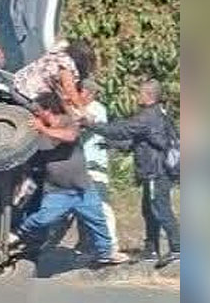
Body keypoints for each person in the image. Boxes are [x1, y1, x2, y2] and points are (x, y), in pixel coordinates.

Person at [11, 91, 129, 265]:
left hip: (82, 188)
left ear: (48, 110)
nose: (36, 115)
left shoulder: (68, 122)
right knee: (44, 218)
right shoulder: (36, 130)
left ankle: (106, 253)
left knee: (97, 220)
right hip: (57, 190)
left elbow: (70, 136)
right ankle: (18, 234)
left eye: (38, 111)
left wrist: (43, 129)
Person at [85, 79, 180, 264]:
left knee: (160, 209)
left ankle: (178, 248)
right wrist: (110, 144)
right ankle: (151, 249)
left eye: (140, 93)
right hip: (154, 170)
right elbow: (137, 141)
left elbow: (122, 130)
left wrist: (92, 125)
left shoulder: (148, 117)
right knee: (149, 210)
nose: (137, 96)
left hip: (157, 171)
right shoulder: (158, 114)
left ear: (148, 96)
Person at [45, 79, 120, 254]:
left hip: (94, 166)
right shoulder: (80, 109)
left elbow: (80, 124)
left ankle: (110, 246)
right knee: (78, 207)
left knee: (101, 206)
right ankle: (86, 244)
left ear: (89, 93)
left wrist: (64, 102)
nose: (76, 94)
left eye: (80, 91)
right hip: (80, 166)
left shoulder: (96, 109)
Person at [11, 39, 96, 115]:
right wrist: (82, 110)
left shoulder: (58, 54)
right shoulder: (66, 64)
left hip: (18, 85)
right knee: (57, 118)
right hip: (26, 94)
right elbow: (70, 90)